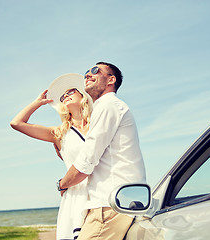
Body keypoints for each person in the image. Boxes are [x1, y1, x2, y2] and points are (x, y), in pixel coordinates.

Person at [58, 62, 146, 240]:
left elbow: (86, 161)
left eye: (95, 71)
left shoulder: (108, 105)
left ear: (111, 80)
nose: (88, 75)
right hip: (114, 202)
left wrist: (62, 184)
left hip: (109, 205)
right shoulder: (106, 107)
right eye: (86, 72)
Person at [10, 73, 93, 240]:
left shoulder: (99, 124)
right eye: (62, 96)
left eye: (71, 92)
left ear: (83, 95)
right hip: (76, 195)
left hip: (101, 192)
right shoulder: (59, 133)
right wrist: (37, 103)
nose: (66, 96)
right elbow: (17, 123)